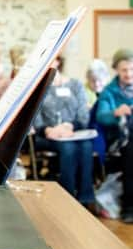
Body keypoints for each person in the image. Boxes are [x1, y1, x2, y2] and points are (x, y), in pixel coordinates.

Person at [32, 56, 96, 210]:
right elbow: (34, 115)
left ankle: (86, 198)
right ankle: (68, 197)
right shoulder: (37, 87)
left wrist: (69, 126)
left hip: (73, 132)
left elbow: (83, 115)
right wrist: (47, 129)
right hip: (46, 134)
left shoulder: (75, 85)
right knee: (68, 148)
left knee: (87, 146)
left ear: (58, 61)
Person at [95, 48, 133, 223]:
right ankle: (129, 207)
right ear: (116, 70)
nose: (129, 73)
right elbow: (101, 116)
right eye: (124, 70)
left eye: (132, 69)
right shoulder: (109, 92)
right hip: (118, 140)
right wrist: (116, 112)